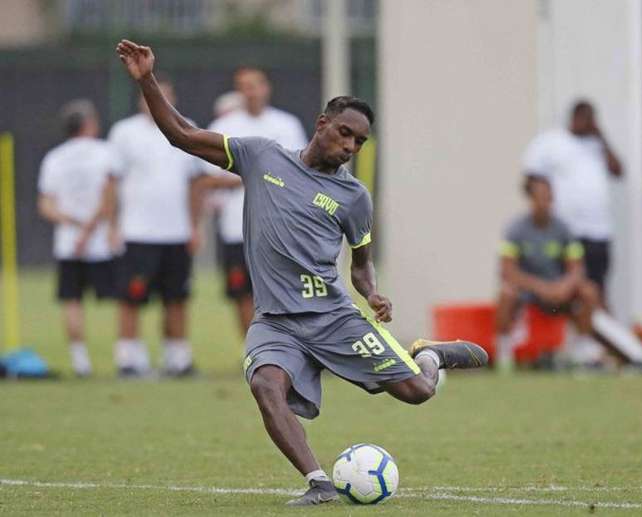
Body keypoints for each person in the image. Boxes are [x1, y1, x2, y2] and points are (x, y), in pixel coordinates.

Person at [115, 39, 488, 505]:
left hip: (332, 317)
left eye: (360, 142)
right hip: (275, 321)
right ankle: (319, 483)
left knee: (417, 392)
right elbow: (182, 135)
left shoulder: (354, 198)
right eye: (346, 134)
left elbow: (362, 266)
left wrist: (371, 295)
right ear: (322, 125)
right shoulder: (261, 157)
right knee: (264, 384)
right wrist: (148, 78)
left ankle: (429, 355)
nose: (350, 146)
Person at [106, 75, 207, 377]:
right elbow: (112, 181)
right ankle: (128, 359)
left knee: (176, 297)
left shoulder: (185, 127)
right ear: (142, 99)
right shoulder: (124, 133)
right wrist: (113, 225)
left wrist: (194, 226)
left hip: (175, 233)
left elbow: (195, 183)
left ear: (172, 99)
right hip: (137, 232)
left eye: (165, 96)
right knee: (131, 297)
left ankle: (178, 358)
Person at [202, 67, 308, 335]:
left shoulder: (287, 125)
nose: (250, 92)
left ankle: (288, 348)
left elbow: (300, 172)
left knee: (284, 292)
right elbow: (208, 177)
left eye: (255, 85)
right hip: (236, 226)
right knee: (241, 293)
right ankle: (254, 347)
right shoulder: (224, 128)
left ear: (266, 88)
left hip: (280, 227)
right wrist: (256, 175)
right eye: (244, 87)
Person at [37, 99, 119, 377]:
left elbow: (46, 205)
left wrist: (73, 224)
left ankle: (80, 362)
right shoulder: (105, 153)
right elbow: (109, 197)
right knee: (122, 300)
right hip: (100, 243)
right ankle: (126, 357)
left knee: (72, 300)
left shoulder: (54, 158)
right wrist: (91, 228)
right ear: (89, 124)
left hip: (68, 244)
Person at [496, 176, 602, 368]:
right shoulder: (515, 229)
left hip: (559, 290)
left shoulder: (563, 229)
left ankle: (583, 348)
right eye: (540, 197)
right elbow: (508, 271)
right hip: (529, 291)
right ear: (530, 199)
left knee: (589, 291)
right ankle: (504, 352)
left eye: (549, 197)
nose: (546, 202)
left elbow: (576, 267)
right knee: (506, 292)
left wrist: (564, 286)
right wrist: (541, 287)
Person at [522, 100, 623, 299]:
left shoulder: (597, 145)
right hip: (567, 230)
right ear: (574, 118)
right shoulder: (552, 142)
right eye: (585, 119)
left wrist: (601, 137)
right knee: (567, 287)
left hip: (597, 232)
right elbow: (531, 177)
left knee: (596, 290)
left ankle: (592, 330)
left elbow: (618, 171)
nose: (589, 124)